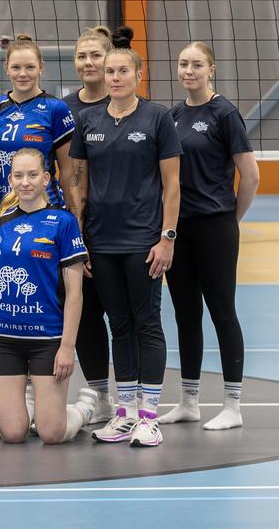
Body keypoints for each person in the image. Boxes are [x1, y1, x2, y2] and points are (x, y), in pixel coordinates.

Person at [69, 27, 182, 447]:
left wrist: (167, 238)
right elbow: (78, 183)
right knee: (118, 325)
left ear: (138, 74)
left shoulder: (157, 118)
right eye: (110, 71)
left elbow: (172, 185)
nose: (114, 77)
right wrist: (80, 239)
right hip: (101, 242)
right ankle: (126, 412)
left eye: (122, 71)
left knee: (146, 323)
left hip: (143, 242)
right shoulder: (88, 120)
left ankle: (149, 416)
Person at [160, 41, 259, 431]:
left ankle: (233, 405)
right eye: (183, 64)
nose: (189, 71)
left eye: (197, 64)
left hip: (215, 224)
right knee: (185, 313)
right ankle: (189, 401)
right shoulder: (173, 115)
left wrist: (231, 218)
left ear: (211, 70)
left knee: (222, 310)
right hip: (179, 227)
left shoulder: (225, 113)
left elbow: (250, 176)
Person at [0, 148, 94, 445]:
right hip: (3, 338)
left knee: (51, 434)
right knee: (12, 433)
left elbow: (75, 293)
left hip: (47, 338)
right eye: (18, 176)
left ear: (46, 178)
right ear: (10, 180)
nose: (25, 182)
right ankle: (35, 406)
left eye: (32, 175)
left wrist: (67, 347)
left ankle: (82, 409)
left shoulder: (63, 222)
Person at [62, 26, 115, 424]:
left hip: (122, 225)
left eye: (96, 55)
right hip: (76, 227)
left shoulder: (128, 104)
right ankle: (99, 394)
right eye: (82, 56)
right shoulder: (62, 109)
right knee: (86, 313)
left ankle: (132, 395)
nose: (89, 62)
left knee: (126, 316)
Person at [0, 34, 75, 213]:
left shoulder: (56, 109)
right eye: (16, 67)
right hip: (3, 211)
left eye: (30, 67)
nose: (22, 74)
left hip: (45, 210)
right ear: (7, 68)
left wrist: (72, 213)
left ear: (41, 67)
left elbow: (68, 171)